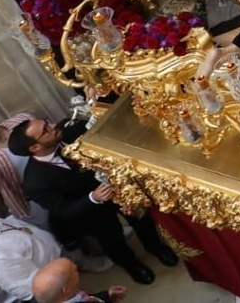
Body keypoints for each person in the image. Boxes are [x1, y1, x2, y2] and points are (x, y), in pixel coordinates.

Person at [9, 118, 177, 283]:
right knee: (112, 241)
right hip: (90, 212)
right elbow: (63, 209)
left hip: (119, 191)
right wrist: (93, 198)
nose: (53, 126)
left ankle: (156, 247)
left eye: (47, 122)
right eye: (46, 130)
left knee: (142, 221)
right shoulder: (35, 182)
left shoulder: (74, 132)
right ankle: (132, 266)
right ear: (35, 147)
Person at [29, 257, 127, 303]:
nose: (76, 266)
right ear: (66, 289)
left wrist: (106, 296)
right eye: (73, 270)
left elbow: (86, 297)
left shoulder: (67, 295)